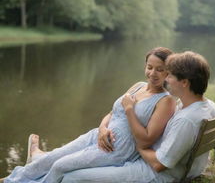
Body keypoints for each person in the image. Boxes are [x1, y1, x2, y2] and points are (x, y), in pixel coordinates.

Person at [3, 47, 176, 183]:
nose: (152, 73)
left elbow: (146, 140)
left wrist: (130, 110)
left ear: (168, 73)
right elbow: (112, 112)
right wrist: (102, 129)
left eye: (159, 70)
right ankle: (12, 180)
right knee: (52, 158)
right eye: (150, 67)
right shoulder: (137, 86)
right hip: (97, 135)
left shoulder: (165, 101)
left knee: (60, 165)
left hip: (117, 149)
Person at [59, 51, 215, 183]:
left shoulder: (186, 119)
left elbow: (158, 164)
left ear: (184, 83)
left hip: (156, 175)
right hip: (185, 168)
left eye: (170, 75)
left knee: (72, 178)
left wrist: (138, 144)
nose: (167, 79)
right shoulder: (207, 105)